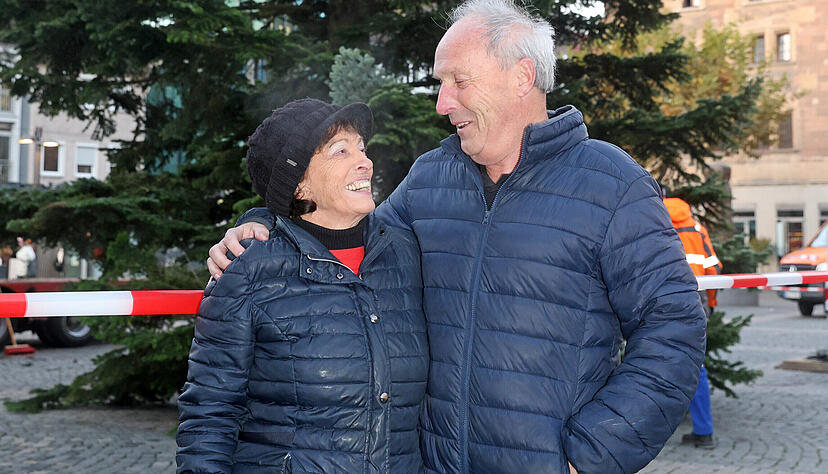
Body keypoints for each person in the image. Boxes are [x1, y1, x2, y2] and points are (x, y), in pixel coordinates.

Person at [207, 1, 707, 472]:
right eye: (441, 83)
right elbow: (343, 234)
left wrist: (593, 454)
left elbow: (674, 329)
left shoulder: (614, 184)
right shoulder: (431, 177)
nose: (443, 103)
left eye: (458, 81)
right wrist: (269, 220)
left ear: (521, 77)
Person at [176, 99, 429, 473]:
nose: (364, 160)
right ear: (299, 185)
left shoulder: (405, 255)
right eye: (340, 150)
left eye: (361, 147)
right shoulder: (247, 269)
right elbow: (209, 414)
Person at [663, 193, 722, 449]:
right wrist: (711, 304)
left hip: (660, 299)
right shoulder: (697, 228)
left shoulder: (650, 220)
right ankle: (703, 431)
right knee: (696, 367)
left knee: (648, 363)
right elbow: (714, 270)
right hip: (695, 301)